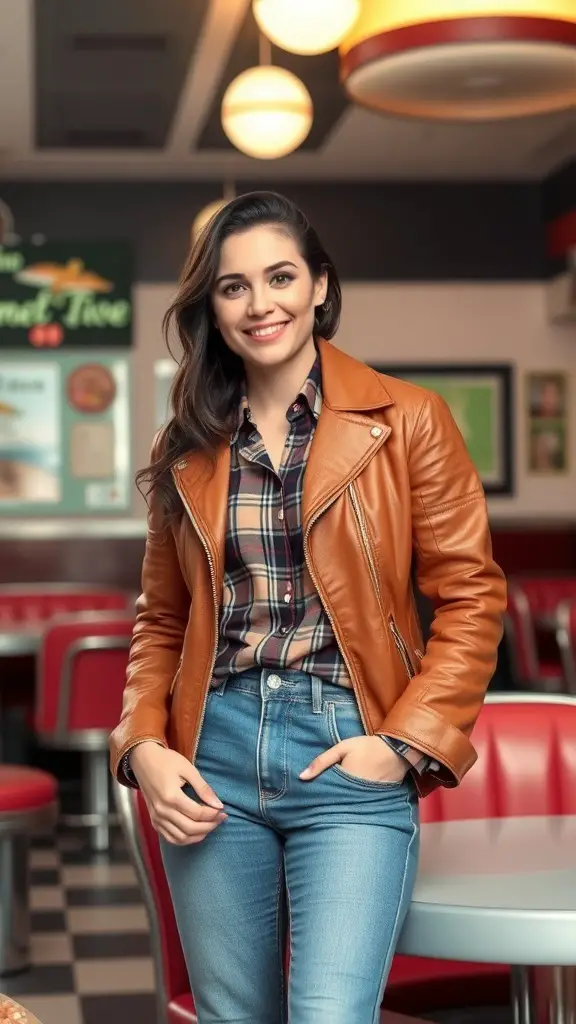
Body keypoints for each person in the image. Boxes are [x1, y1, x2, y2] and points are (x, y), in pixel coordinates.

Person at [109, 191, 506, 1024]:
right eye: (233, 286)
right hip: (211, 754)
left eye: (281, 276)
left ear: (320, 285)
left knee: (328, 1014)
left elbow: (472, 600)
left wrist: (404, 745)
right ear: (211, 309)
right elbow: (163, 622)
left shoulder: (409, 421)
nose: (262, 304)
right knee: (234, 1017)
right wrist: (142, 742)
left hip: (347, 749)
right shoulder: (185, 445)